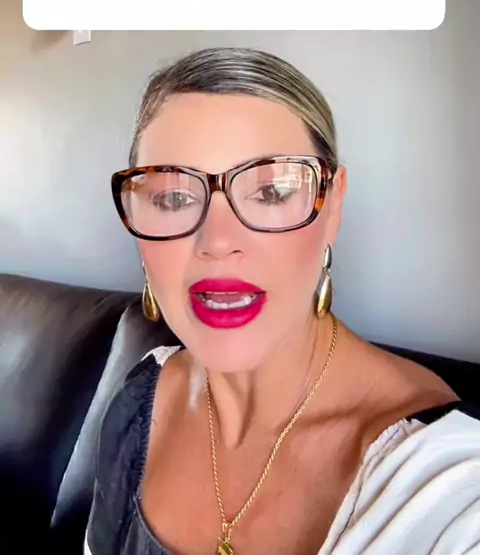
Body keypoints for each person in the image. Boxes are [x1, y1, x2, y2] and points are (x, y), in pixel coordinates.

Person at [85, 46, 480, 555]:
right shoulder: (139, 401)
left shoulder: (447, 485)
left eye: (270, 193)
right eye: (173, 198)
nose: (218, 241)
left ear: (332, 206)